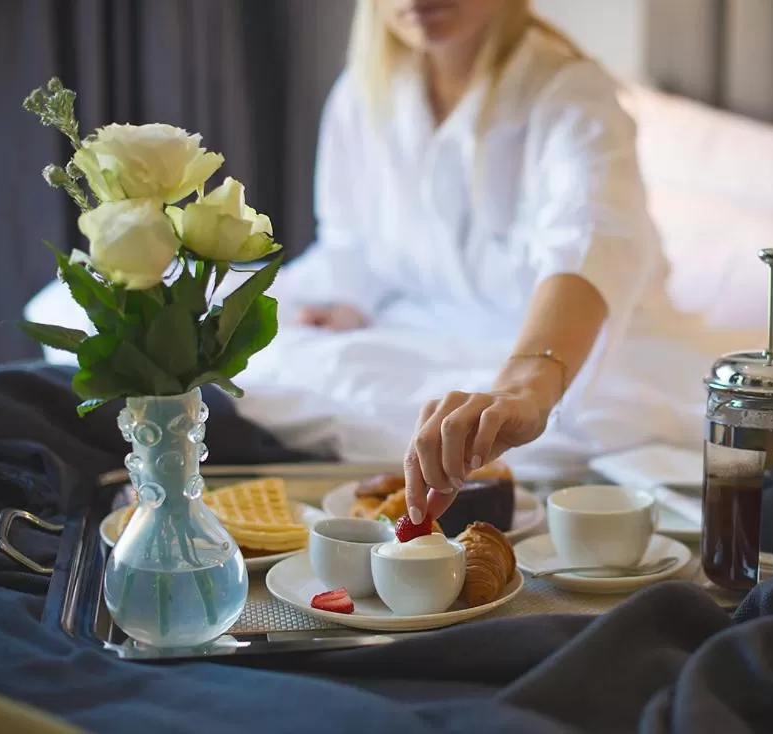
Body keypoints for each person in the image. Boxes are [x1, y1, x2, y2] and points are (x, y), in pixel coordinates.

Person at [275, 0, 675, 527]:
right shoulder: (365, 91)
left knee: (552, 435)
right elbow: (353, 239)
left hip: (563, 342)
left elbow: (590, 237)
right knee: (257, 358)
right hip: (422, 324)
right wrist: (348, 299)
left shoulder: (573, 93)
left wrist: (525, 384)